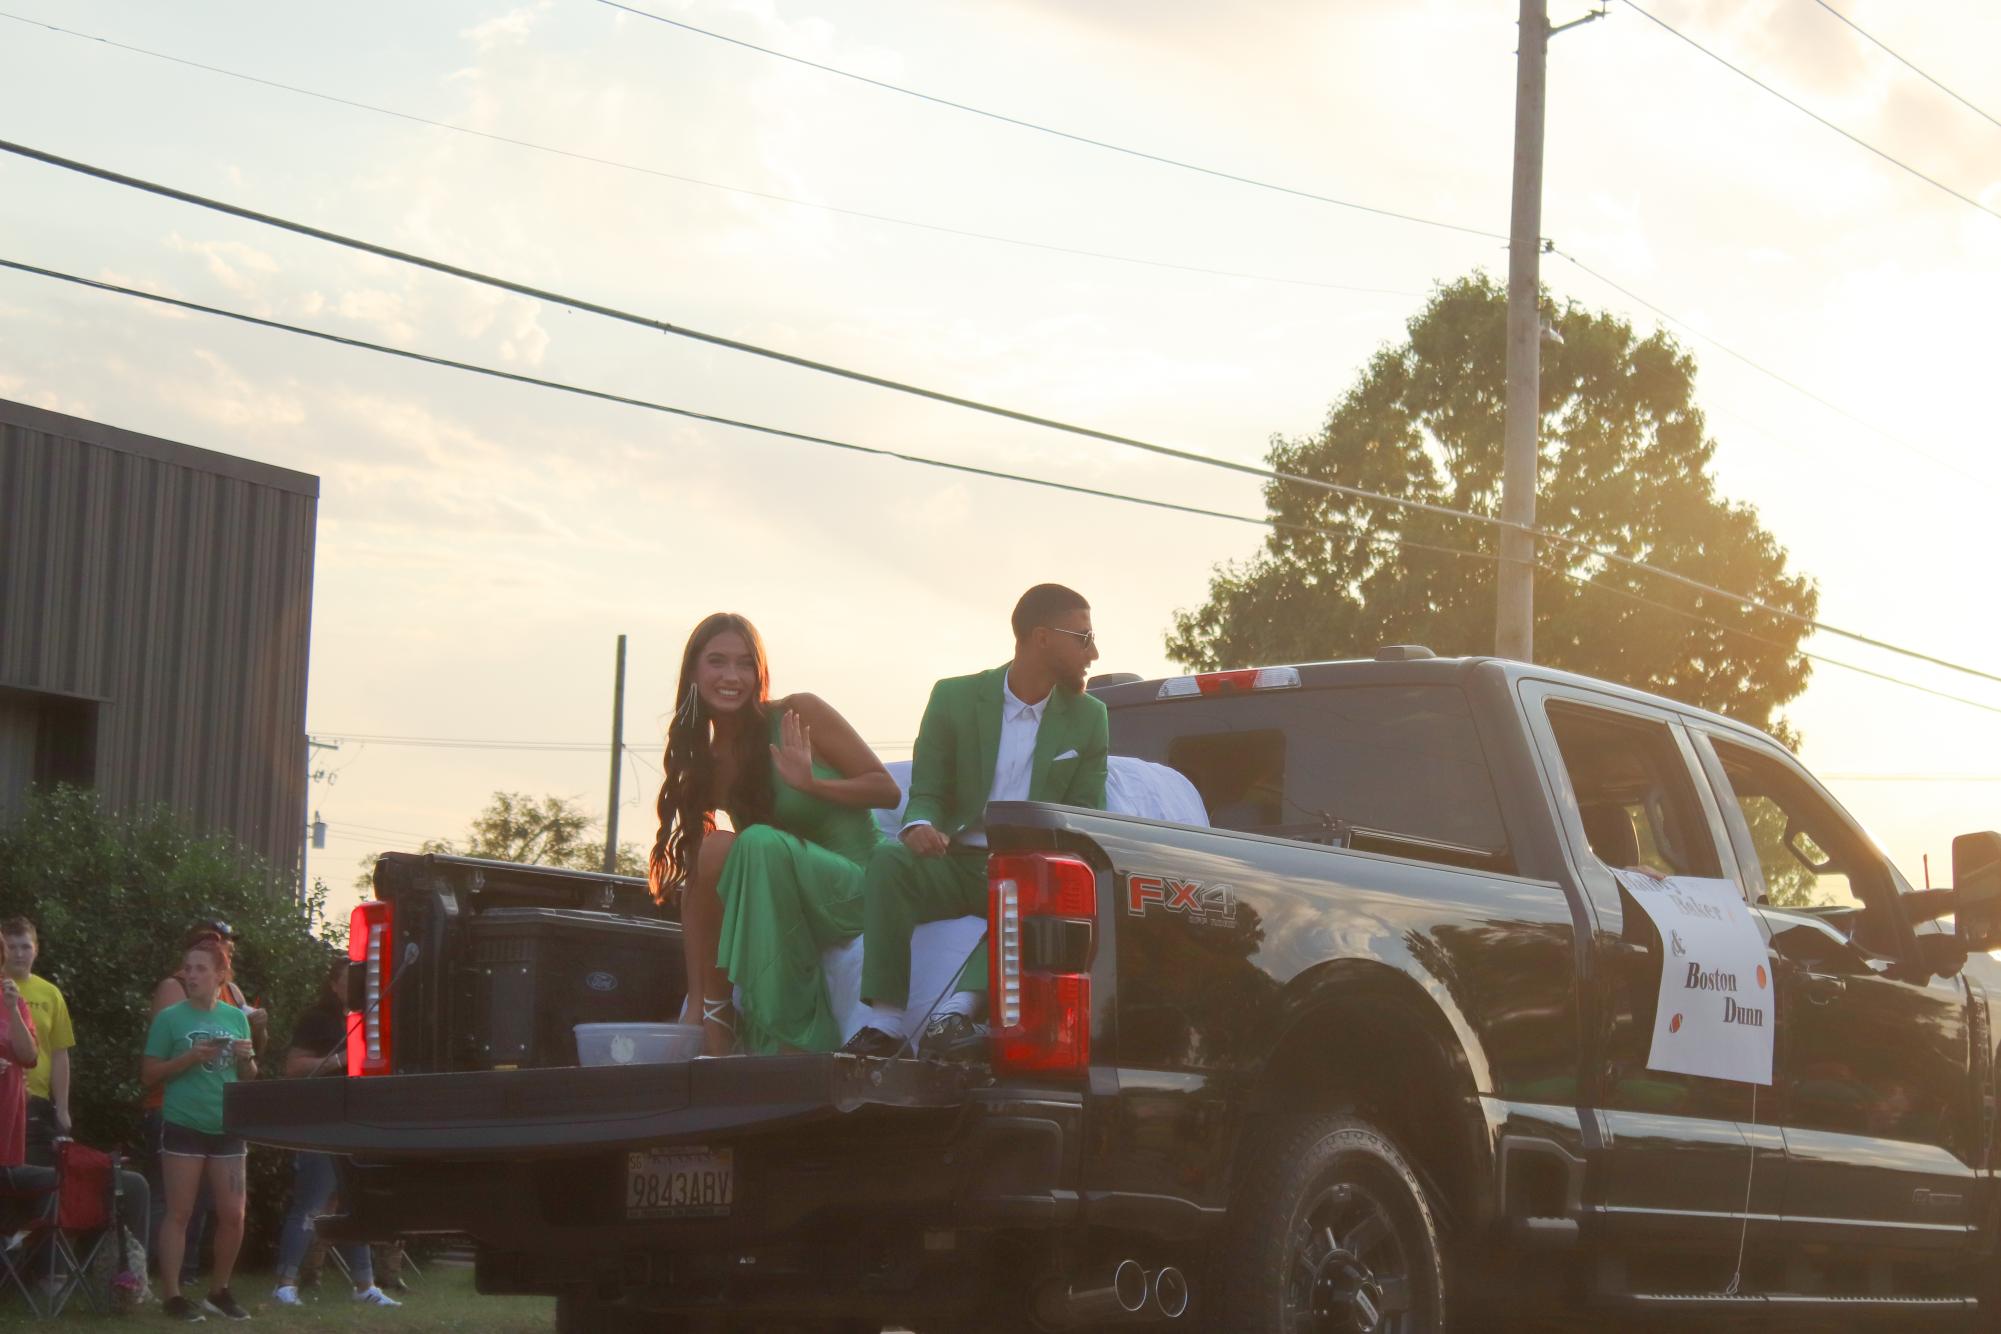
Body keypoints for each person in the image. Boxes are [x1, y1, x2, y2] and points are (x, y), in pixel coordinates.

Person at [845, 584, 1110, 1059]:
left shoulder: (1091, 717)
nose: (1094, 651)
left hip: (1021, 868)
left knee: (1034, 884)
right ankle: (884, 1022)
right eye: (1084, 637)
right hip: (953, 859)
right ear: (1042, 637)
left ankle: (957, 1013)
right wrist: (920, 825)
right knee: (888, 859)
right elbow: (926, 790)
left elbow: (1085, 813)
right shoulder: (953, 698)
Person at [649, 612, 901, 1056]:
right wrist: (695, 999)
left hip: (860, 888)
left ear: (760, 672)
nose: (732, 676)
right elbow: (702, 883)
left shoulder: (797, 714)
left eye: (746, 664)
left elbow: (886, 789)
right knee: (715, 848)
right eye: (717, 662)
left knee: (758, 841)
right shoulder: (709, 762)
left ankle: (791, 1041)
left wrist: (813, 785)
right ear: (693, 671)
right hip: (785, 899)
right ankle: (716, 1017)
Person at [271, 957, 400, 1309]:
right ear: (334, 984)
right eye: (349, 979)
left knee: (355, 1205)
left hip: (356, 1124)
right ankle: (285, 1283)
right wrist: (339, 1060)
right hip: (320, 1123)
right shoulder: (317, 1020)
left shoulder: (369, 1019)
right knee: (311, 1203)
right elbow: (293, 1068)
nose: (356, 986)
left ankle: (364, 1285)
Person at [142, 922, 265, 1290]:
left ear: (220, 975)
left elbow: (249, 1076)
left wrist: (246, 1058)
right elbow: (148, 1075)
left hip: (226, 1126)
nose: (191, 975)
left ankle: (219, 1290)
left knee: (233, 1214)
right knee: (179, 1212)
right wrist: (190, 1058)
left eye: (200, 969)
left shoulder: (234, 1017)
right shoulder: (170, 1017)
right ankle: (173, 1293)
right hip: (183, 1122)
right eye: (188, 968)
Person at [0, 917, 73, 1167]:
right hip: (5, 1094)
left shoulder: (50, 993)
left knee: (35, 1176)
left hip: (37, 1099)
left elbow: (59, 1053)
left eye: (25, 946)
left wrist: (62, 1108)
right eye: (11, 947)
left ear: (36, 949)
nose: (19, 954)